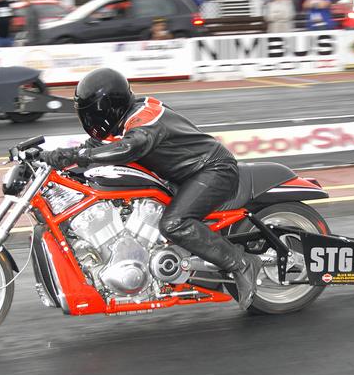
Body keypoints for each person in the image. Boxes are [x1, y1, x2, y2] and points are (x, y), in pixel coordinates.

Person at [36, 69, 263, 309]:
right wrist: (48, 156)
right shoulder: (119, 123)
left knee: (174, 223)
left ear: (109, 107)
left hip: (212, 169)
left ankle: (242, 264)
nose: (89, 119)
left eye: (92, 113)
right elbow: (92, 147)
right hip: (180, 175)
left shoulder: (144, 117)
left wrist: (79, 155)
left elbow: (130, 146)